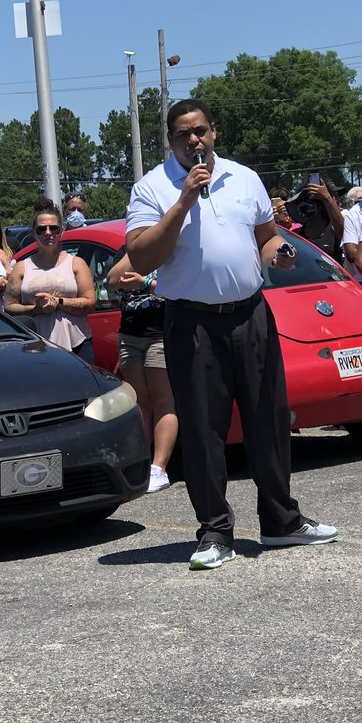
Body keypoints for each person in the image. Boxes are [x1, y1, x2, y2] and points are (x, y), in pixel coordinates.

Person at [126, 98, 338, 570]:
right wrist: (183, 200)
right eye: (183, 134)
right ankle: (215, 531)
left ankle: (281, 522)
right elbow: (141, 258)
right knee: (203, 429)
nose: (193, 140)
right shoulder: (151, 188)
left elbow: (266, 237)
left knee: (269, 418)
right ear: (170, 140)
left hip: (251, 314)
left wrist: (279, 253)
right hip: (193, 321)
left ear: (214, 132)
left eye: (200, 131)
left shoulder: (244, 177)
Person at [107, 247, 176, 493]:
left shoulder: (171, 248)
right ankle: (143, 463)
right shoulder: (127, 252)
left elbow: (178, 288)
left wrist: (144, 282)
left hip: (160, 334)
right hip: (130, 335)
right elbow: (113, 281)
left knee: (163, 402)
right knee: (140, 402)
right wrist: (135, 248)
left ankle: (160, 467)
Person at [4, 201, 96, 360]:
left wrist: (58, 301)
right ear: (33, 233)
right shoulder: (21, 267)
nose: (48, 233)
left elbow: (90, 303)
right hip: (34, 345)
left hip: (77, 344)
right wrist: (36, 309)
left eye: (53, 228)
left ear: (61, 231)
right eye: (41, 229)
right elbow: (9, 306)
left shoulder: (76, 263)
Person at [294, 176, 345, 260]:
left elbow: (345, 234)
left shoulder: (334, 229)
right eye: (304, 200)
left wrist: (326, 197)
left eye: (313, 201)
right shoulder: (297, 234)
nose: (307, 205)